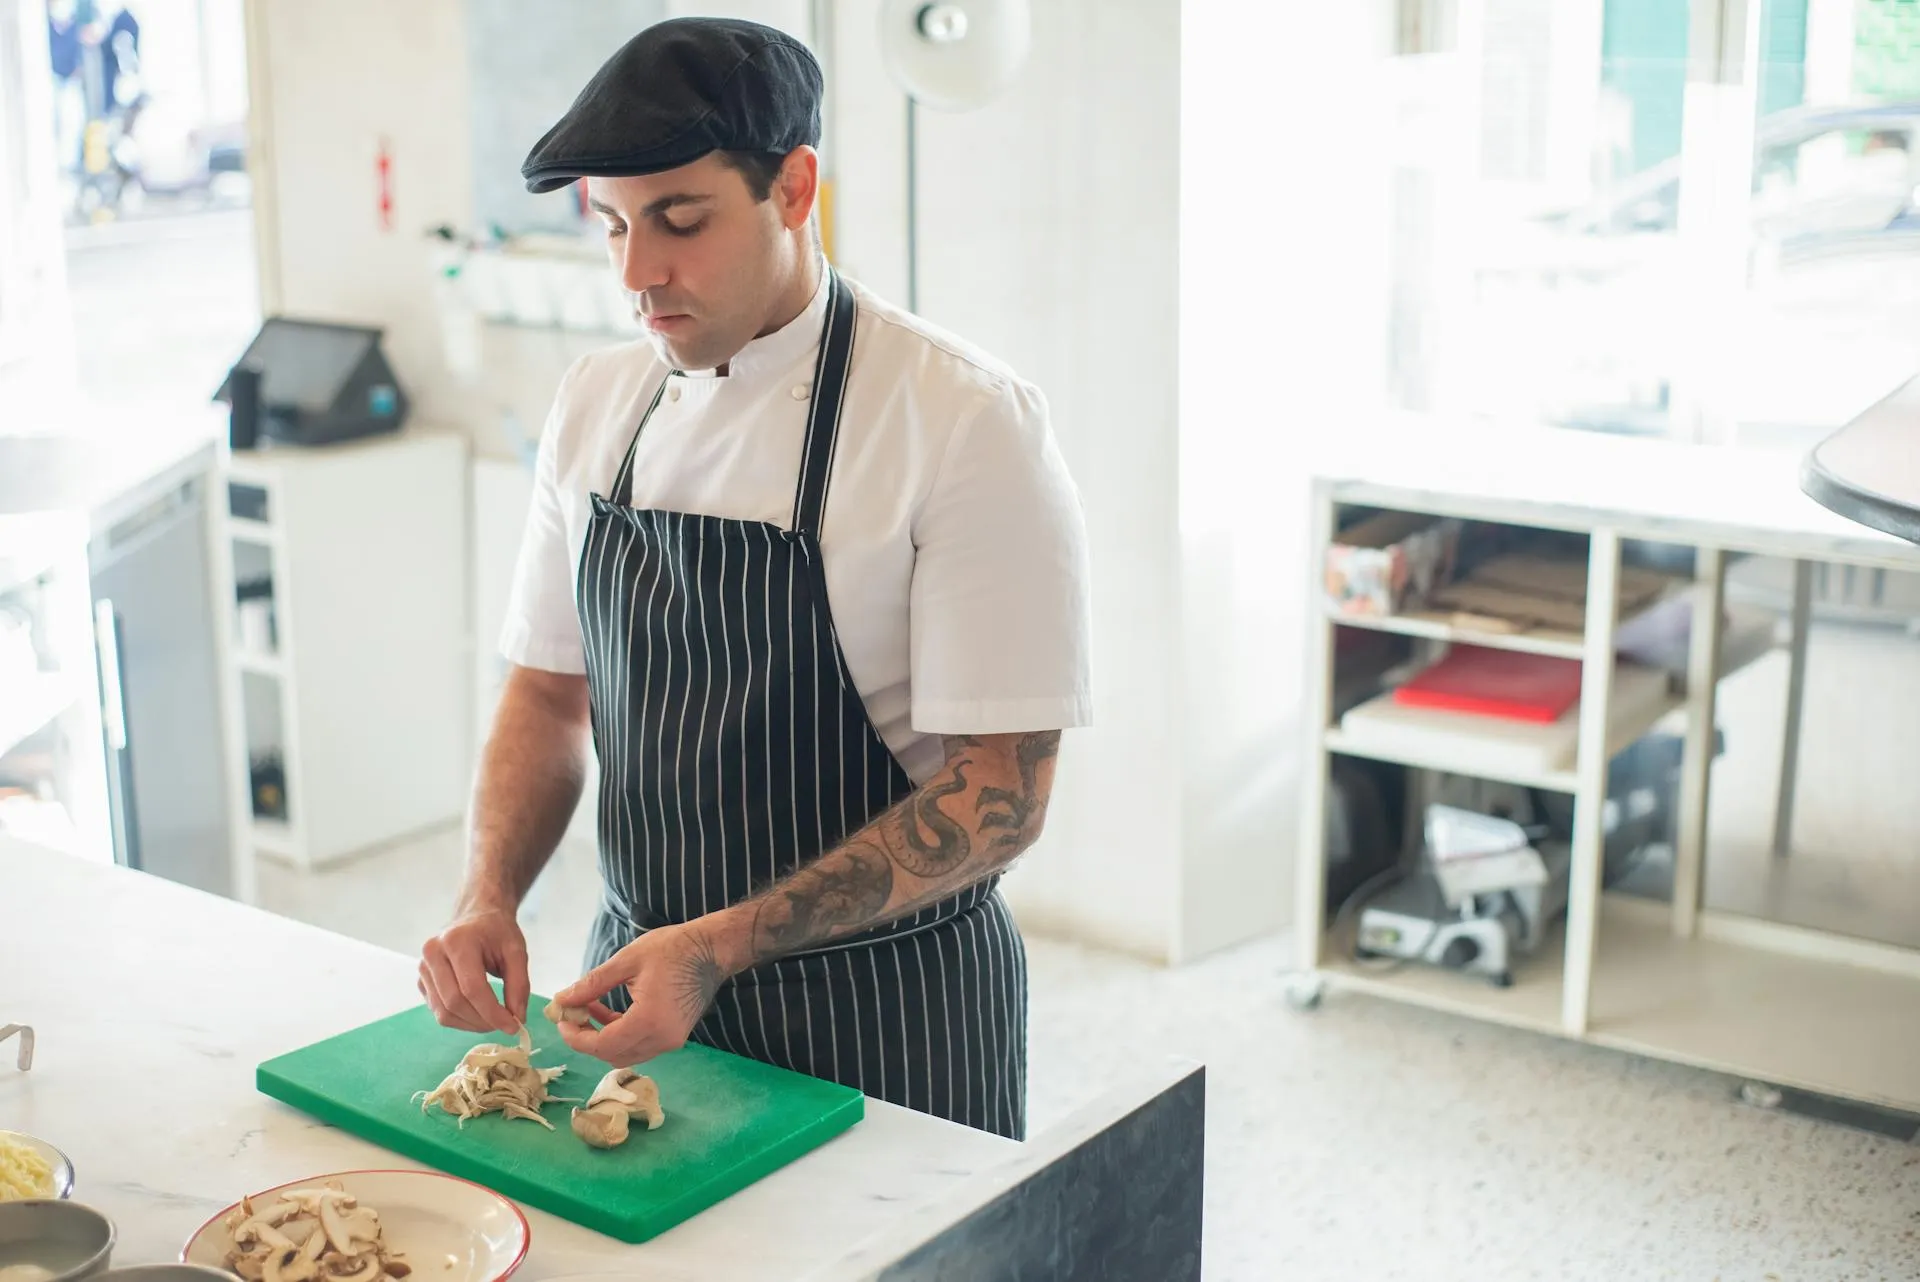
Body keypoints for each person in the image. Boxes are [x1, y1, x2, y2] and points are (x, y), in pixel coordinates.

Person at [418, 16, 1092, 1141]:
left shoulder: (964, 422)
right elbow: (546, 693)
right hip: (635, 991)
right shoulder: (595, 403)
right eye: (613, 225)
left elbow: (1002, 797)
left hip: (890, 1015)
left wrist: (721, 943)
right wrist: (488, 895)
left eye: (681, 221)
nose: (638, 274)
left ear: (794, 188)